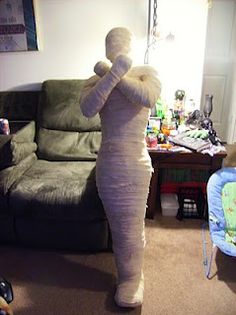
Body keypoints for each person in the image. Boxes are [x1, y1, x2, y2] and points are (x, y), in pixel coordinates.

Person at [80, 27, 161, 308]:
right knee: (120, 227)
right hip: (109, 164)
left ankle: (132, 279)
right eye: (110, 43)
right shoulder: (95, 78)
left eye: (120, 43)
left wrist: (116, 72)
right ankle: (130, 276)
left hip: (135, 162)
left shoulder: (146, 73)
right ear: (105, 48)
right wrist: (112, 72)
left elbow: (147, 98)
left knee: (132, 226)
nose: (115, 46)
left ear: (130, 46)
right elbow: (89, 109)